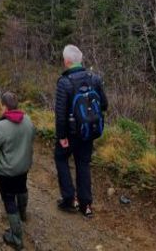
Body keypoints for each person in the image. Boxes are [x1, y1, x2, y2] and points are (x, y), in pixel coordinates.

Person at [53, 44, 108, 217]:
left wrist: (61, 136)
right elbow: (104, 105)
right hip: (89, 131)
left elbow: (60, 114)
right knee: (83, 164)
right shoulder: (94, 78)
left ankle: (69, 199)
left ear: (66, 61)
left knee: (61, 158)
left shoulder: (64, 82)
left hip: (71, 133)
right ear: (80, 60)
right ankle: (86, 205)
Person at [0, 91, 34, 250]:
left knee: (8, 199)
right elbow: (31, 137)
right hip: (24, 166)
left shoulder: (2, 126)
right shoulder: (28, 120)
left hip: (7, 171)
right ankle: (23, 214)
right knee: (22, 188)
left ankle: (16, 237)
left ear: (4, 106)